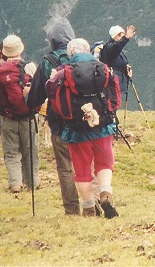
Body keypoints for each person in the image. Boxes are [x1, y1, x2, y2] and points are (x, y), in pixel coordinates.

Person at [26, 17, 81, 215]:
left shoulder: (48, 62)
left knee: (65, 167)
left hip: (59, 122)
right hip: (85, 121)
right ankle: (93, 204)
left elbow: (36, 96)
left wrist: (30, 104)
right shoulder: (83, 56)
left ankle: (72, 209)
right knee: (86, 164)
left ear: (53, 40)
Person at [59, 38, 119, 218]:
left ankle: (88, 208)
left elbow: (55, 97)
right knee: (104, 162)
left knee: (82, 169)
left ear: (70, 54)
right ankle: (105, 193)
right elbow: (114, 95)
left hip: (76, 129)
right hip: (102, 125)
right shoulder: (103, 68)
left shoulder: (64, 72)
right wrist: (109, 113)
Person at [0, 35, 39, 194]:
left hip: (7, 117)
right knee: (30, 150)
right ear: (21, 49)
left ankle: (15, 183)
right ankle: (32, 183)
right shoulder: (29, 67)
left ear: (4, 52)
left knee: (11, 152)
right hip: (28, 116)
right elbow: (38, 90)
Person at [98, 24, 136, 103]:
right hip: (111, 83)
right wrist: (126, 38)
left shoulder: (118, 51)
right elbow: (116, 47)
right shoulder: (109, 49)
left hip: (117, 82)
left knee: (115, 104)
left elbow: (119, 64)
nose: (122, 39)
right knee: (111, 104)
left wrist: (127, 71)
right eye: (121, 36)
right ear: (115, 36)